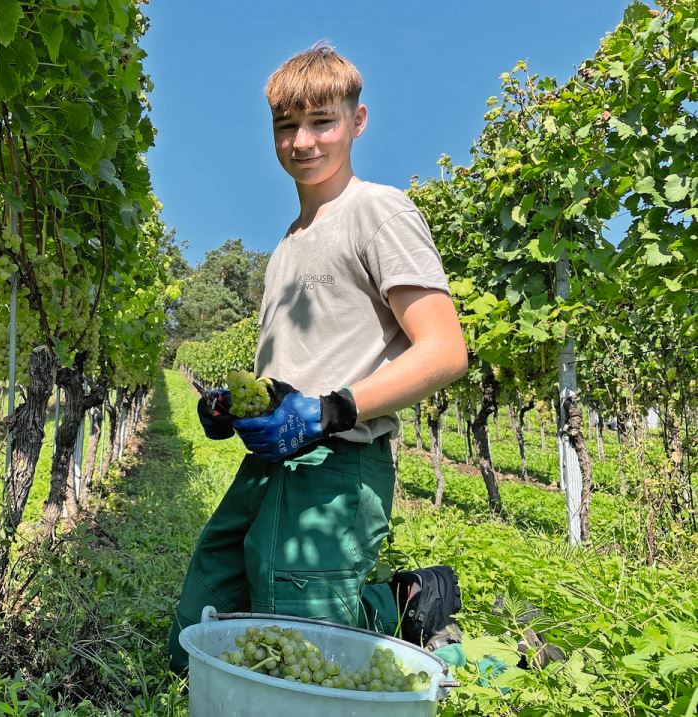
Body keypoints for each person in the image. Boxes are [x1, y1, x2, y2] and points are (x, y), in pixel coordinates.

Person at [168, 42, 469, 672]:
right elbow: (297, 369)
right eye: (287, 127)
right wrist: (233, 409)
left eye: (322, 122)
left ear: (357, 122)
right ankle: (379, 600)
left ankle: (406, 604)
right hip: (267, 465)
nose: (303, 142)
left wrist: (333, 410)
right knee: (192, 643)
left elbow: (444, 350)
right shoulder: (287, 245)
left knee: (299, 658)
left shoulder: (377, 212)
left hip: (336, 465)